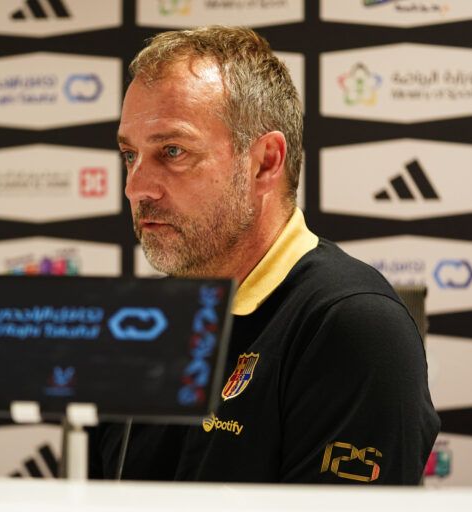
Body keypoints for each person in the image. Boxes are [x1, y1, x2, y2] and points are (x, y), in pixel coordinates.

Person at [90, 26, 439, 484]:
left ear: (265, 162)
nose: (135, 188)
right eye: (129, 155)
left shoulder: (354, 325)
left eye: (172, 151)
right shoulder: (144, 319)